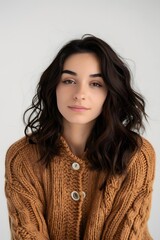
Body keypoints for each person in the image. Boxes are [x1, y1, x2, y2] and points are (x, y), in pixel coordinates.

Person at [5, 34, 155, 240]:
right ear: (53, 88)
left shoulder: (135, 153)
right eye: (69, 80)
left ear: (110, 92)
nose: (79, 93)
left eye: (95, 84)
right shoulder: (22, 156)